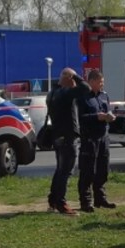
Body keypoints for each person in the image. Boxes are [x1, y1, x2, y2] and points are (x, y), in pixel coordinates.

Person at [46, 68, 91, 216]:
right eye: (72, 78)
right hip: (67, 136)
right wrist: (76, 77)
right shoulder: (65, 93)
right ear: (68, 78)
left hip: (58, 136)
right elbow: (86, 88)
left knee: (60, 170)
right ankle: (61, 203)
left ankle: (53, 200)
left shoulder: (52, 93)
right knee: (66, 171)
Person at [76, 69, 116, 213]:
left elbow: (108, 110)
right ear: (91, 81)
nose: (102, 85)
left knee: (102, 169)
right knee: (88, 171)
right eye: (99, 82)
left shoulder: (104, 96)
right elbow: (80, 118)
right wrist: (96, 117)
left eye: (103, 82)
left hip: (103, 136)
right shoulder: (83, 97)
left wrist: (110, 115)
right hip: (90, 138)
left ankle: (100, 199)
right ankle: (86, 202)